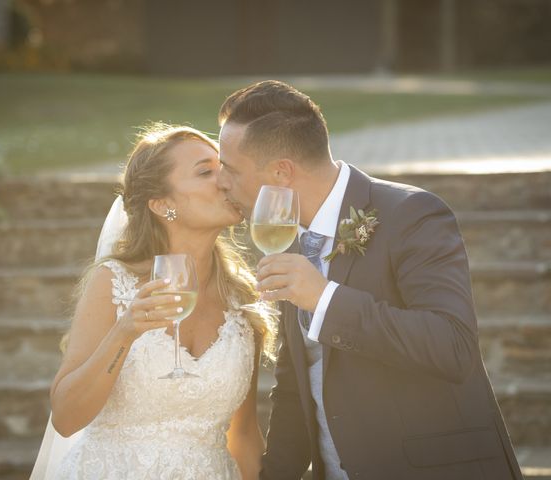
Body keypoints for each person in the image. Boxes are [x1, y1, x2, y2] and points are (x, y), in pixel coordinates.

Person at [216, 80, 523, 480]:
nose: (221, 182)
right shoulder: (286, 239)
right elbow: (296, 390)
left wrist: (325, 299)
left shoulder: (413, 215)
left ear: (281, 173)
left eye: (230, 168)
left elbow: (453, 346)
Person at [33, 124, 274, 479]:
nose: (224, 180)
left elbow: (245, 435)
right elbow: (66, 418)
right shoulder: (114, 283)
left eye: (223, 168)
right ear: (163, 205)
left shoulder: (243, 299)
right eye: (206, 172)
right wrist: (124, 332)